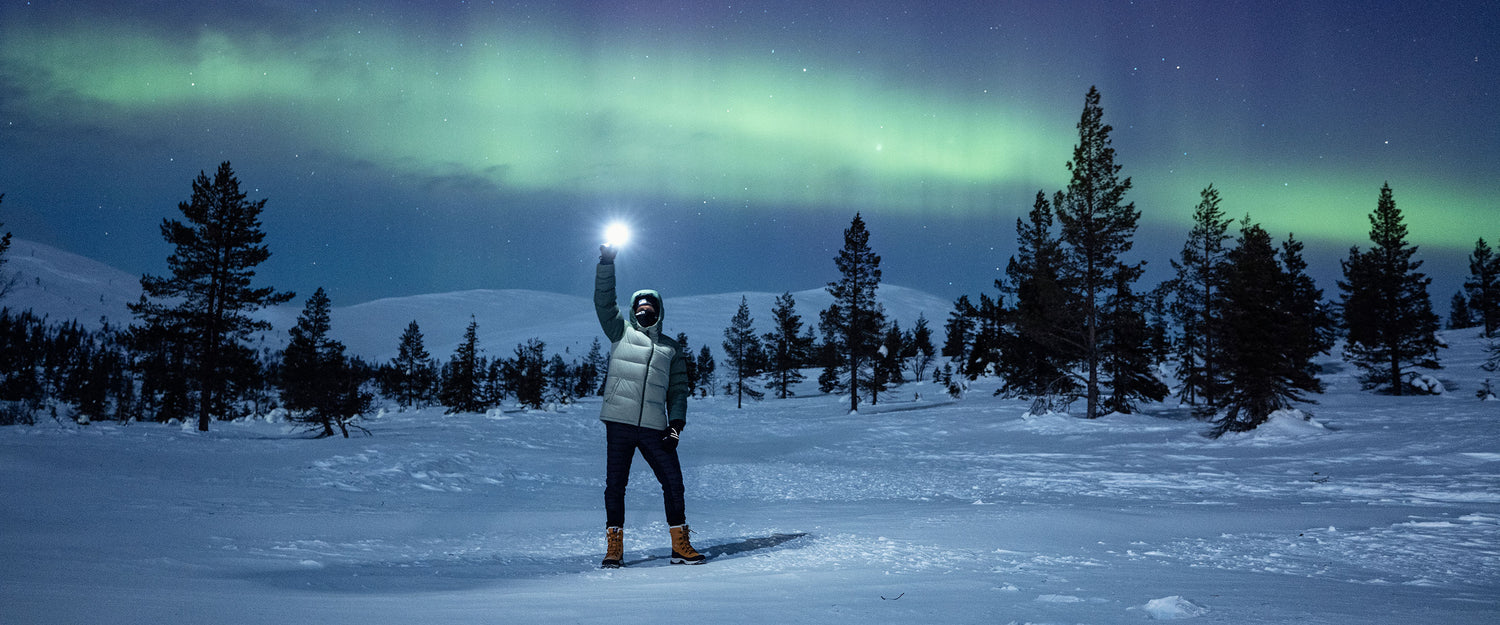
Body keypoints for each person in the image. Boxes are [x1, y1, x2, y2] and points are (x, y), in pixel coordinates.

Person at [594, 243, 704, 568]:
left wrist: (676, 424)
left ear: (658, 311)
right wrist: (606, 263)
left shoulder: (671, 349)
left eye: (649, 308)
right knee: (616, 486)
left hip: (656, 427)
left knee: (673, 482)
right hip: (620, 422)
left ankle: (679, 545)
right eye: (640, 308)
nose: (645, 312)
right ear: (633, 311)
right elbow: (604, 302)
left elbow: (678, 390)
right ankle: (614, 547)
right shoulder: (620, 332)